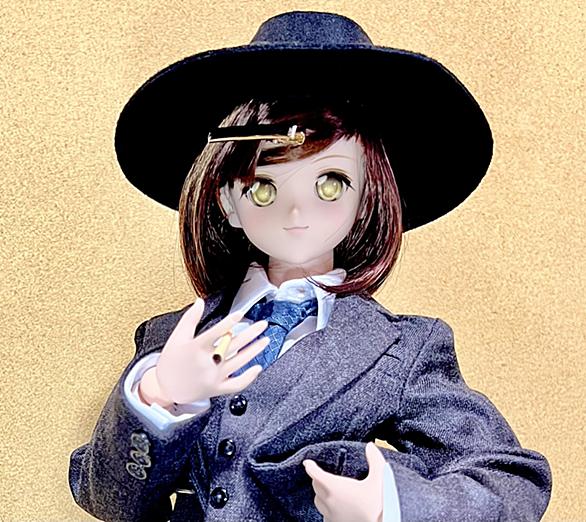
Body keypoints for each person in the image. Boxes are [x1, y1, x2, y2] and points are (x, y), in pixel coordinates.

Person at [68, 11, 552, 522]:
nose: (296, 211)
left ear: (366, 198)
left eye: (330, 184)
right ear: (228, 202)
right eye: (262, 188)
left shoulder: (400, 350)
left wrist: (394, 506)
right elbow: (105, 497)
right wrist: (157, 398)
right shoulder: (169, 339)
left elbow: (512, 478)